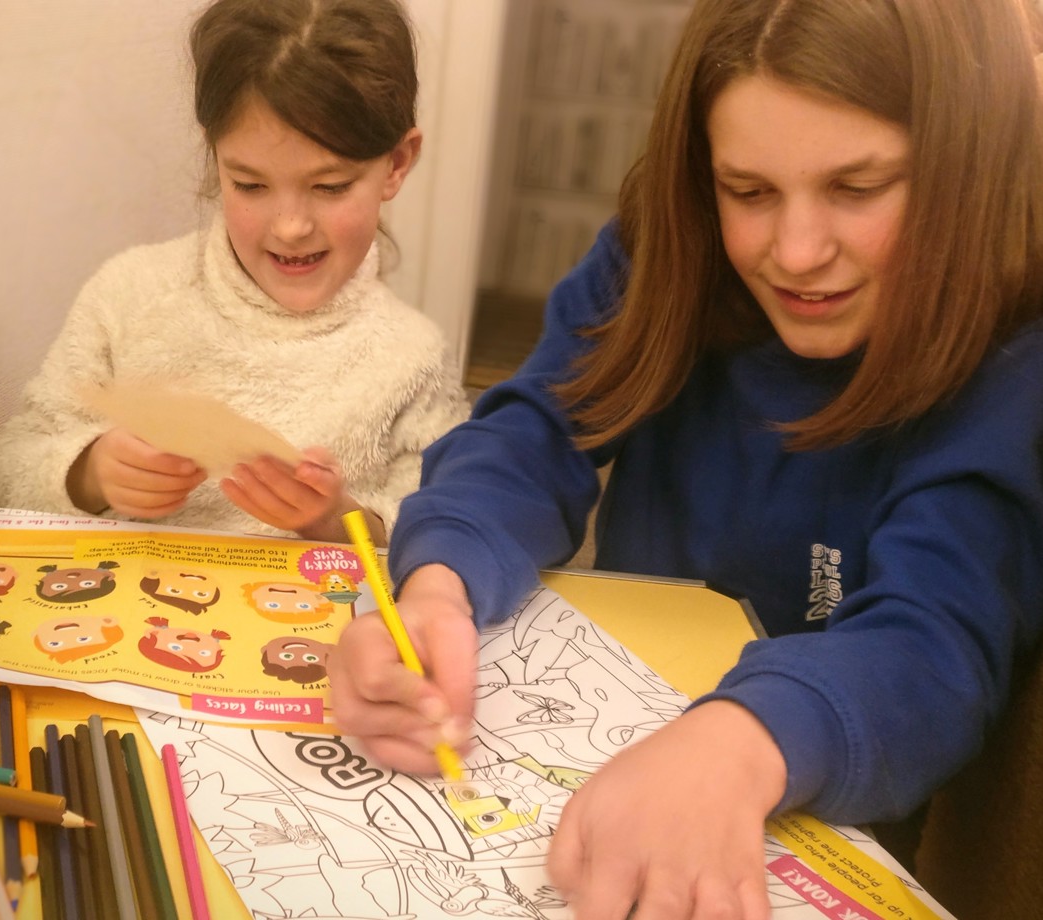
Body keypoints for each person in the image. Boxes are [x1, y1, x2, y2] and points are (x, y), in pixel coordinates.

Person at [327, 0, 1043, 917]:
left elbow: (936, 640)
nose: (794, 252)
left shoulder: (1012, 358)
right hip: (599, 734)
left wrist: (737, 746)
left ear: (965, 169)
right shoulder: (666, 246)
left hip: (819, 807)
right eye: (746, 191)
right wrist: (436, 584)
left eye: (858, 188)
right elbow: (534, 429)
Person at [0, 0, 469, 547]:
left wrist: (339, 522)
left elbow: (442, 529)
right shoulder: (128, 296)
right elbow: (9, 474)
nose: (290, 227)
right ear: (214, 155)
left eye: (330, 186)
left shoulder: (413, 356)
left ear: (398, 163)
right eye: (250, 185)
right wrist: (89, 473)